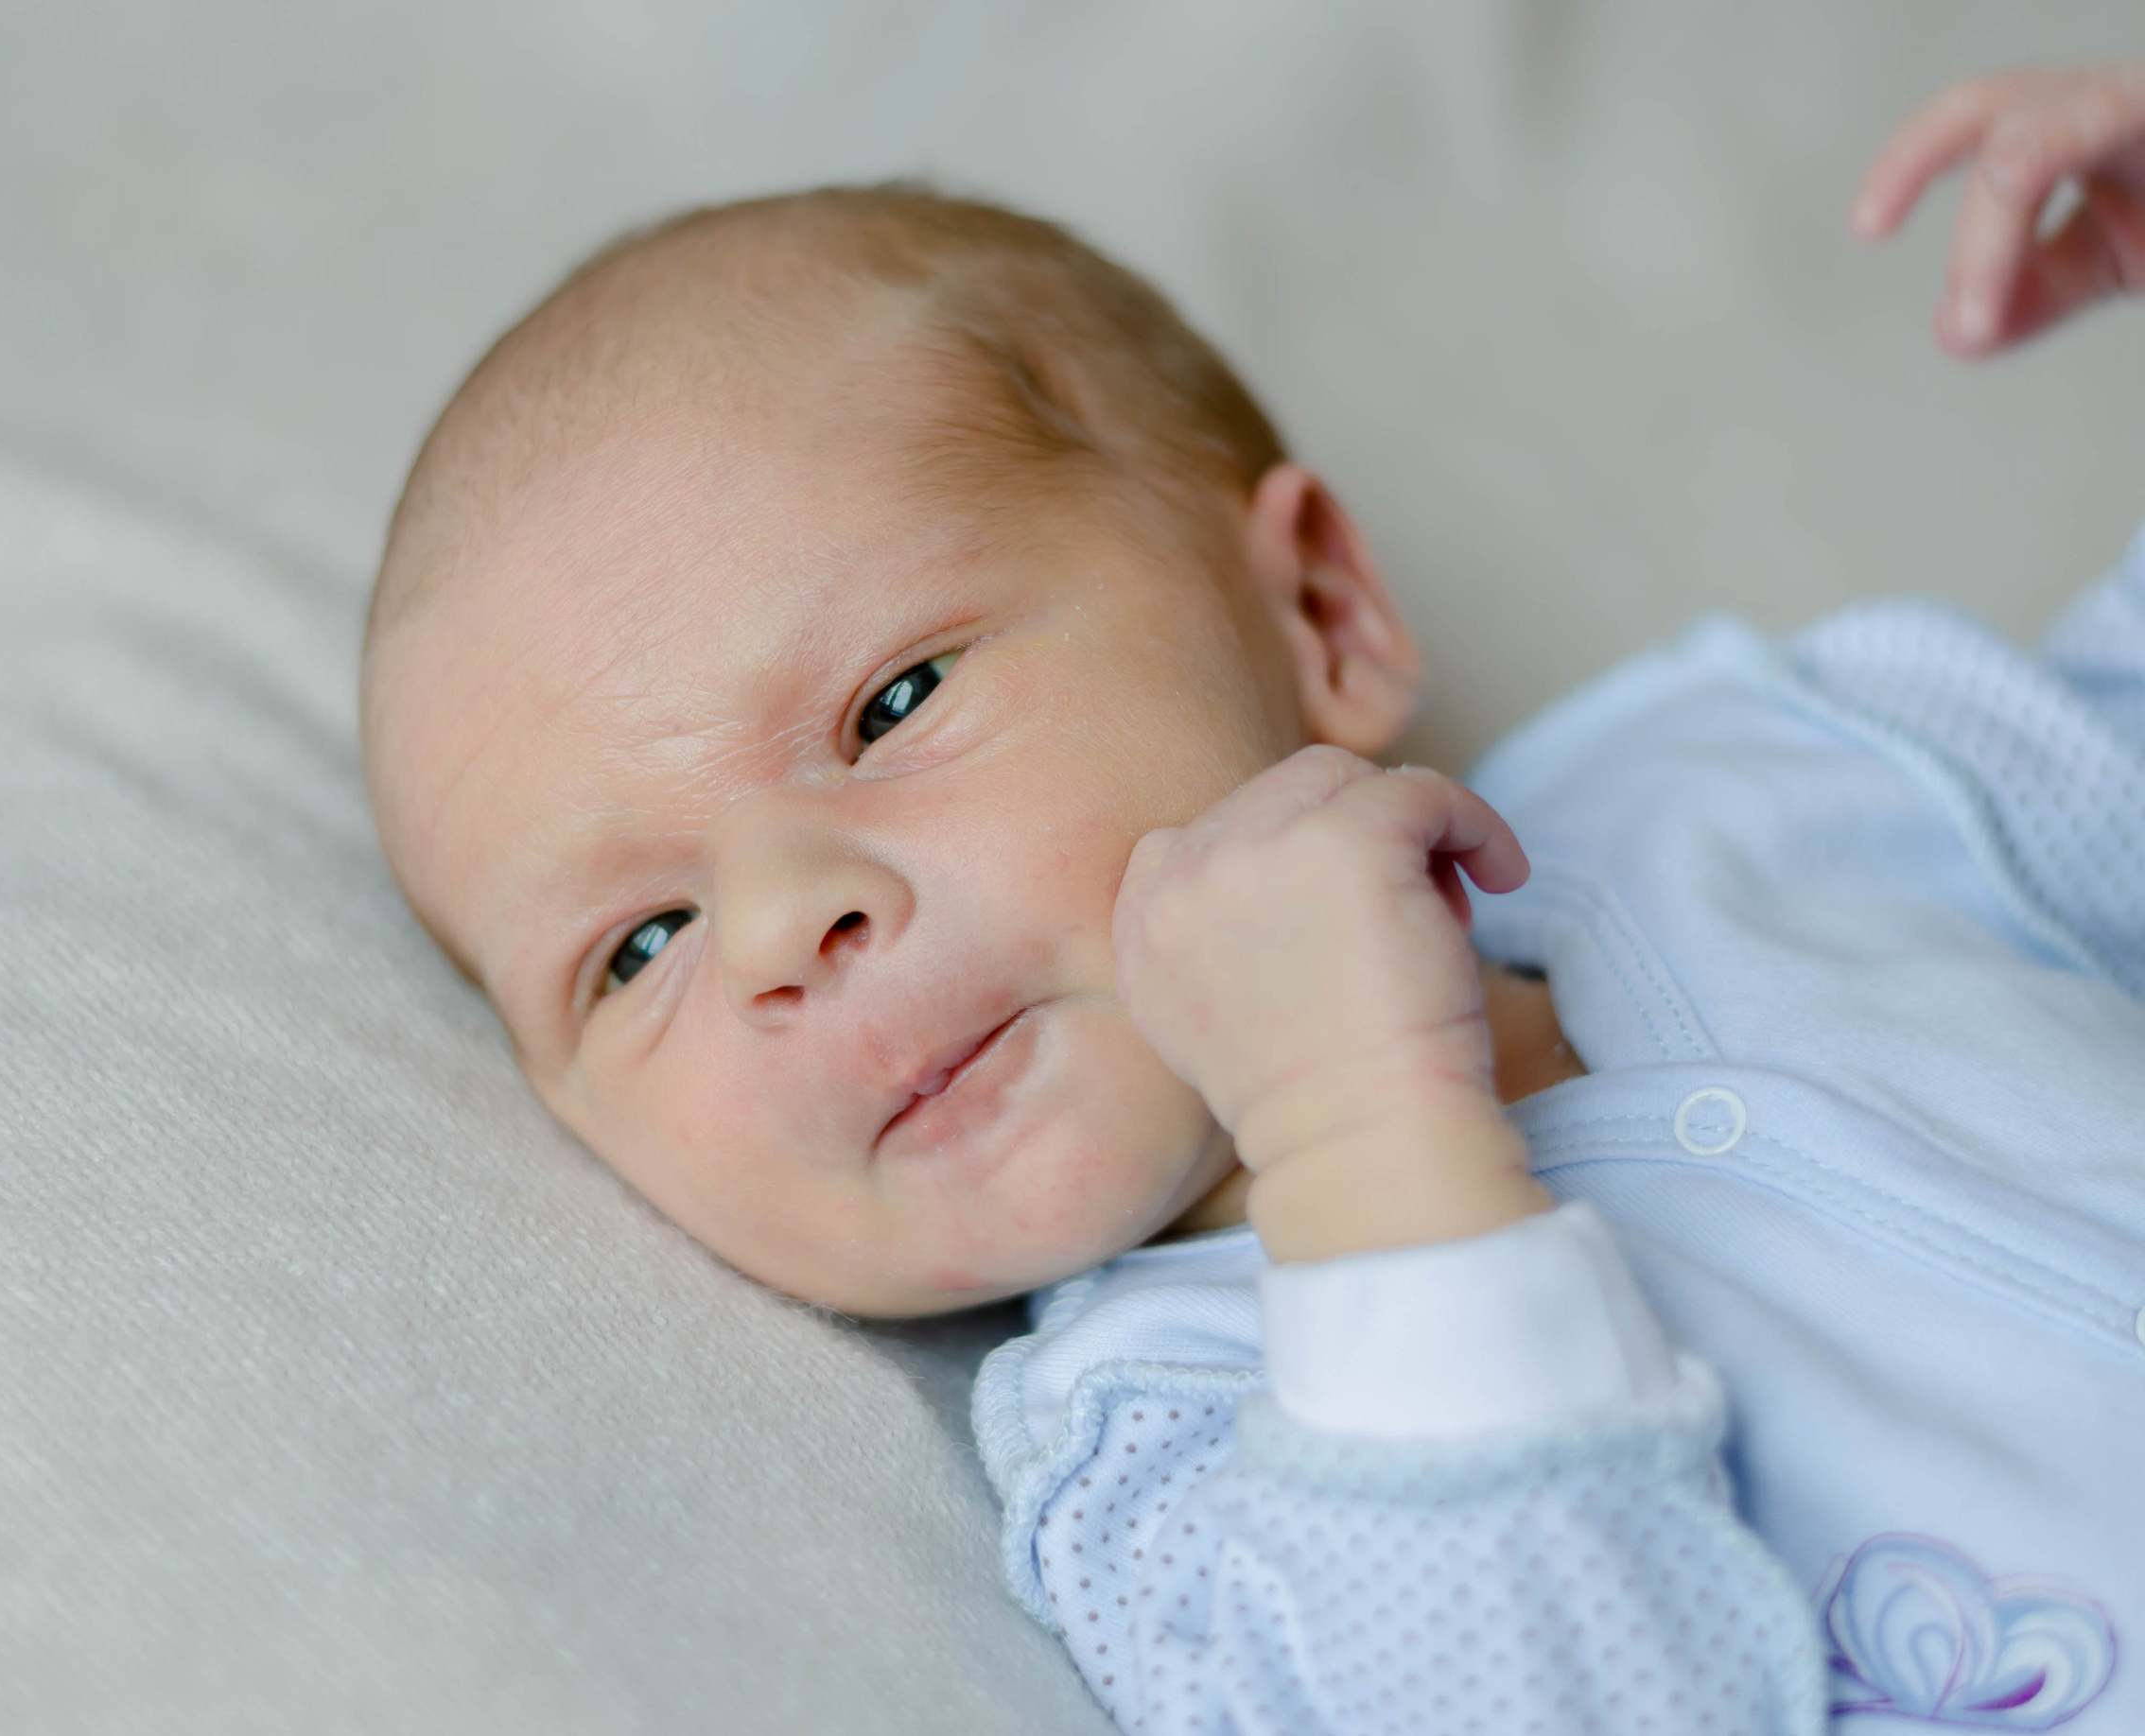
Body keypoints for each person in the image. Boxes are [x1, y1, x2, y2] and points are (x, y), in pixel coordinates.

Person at [358, 59, 2145, 1734]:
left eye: (893, 703)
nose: (774, 933)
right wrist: (1358, 1131)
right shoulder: (1181, 1461)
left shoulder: (1762, 790)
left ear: (1318, 618)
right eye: (637, 949)